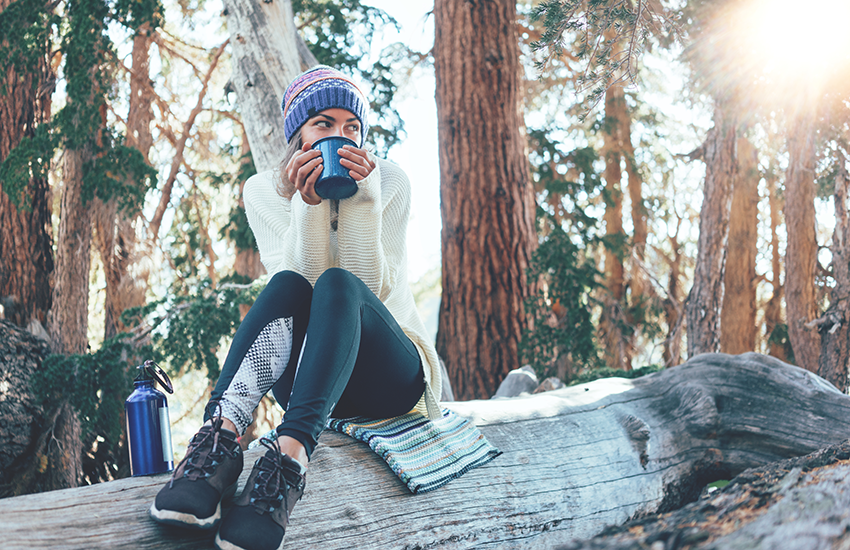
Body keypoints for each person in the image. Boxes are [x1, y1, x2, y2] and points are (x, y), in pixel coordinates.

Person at [149, 65, 443, 550]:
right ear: (298, 135)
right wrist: (305, 205)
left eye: (352, 128)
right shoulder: (263, 191)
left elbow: (366, 286)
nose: (340, 137)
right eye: (323, 125)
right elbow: (298, 292)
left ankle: (287, 464)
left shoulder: (389, 181)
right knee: (285, 283)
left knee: (340, 286)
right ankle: (218, 443)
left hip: (389, 375)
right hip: (314, 382)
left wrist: (360, 199)